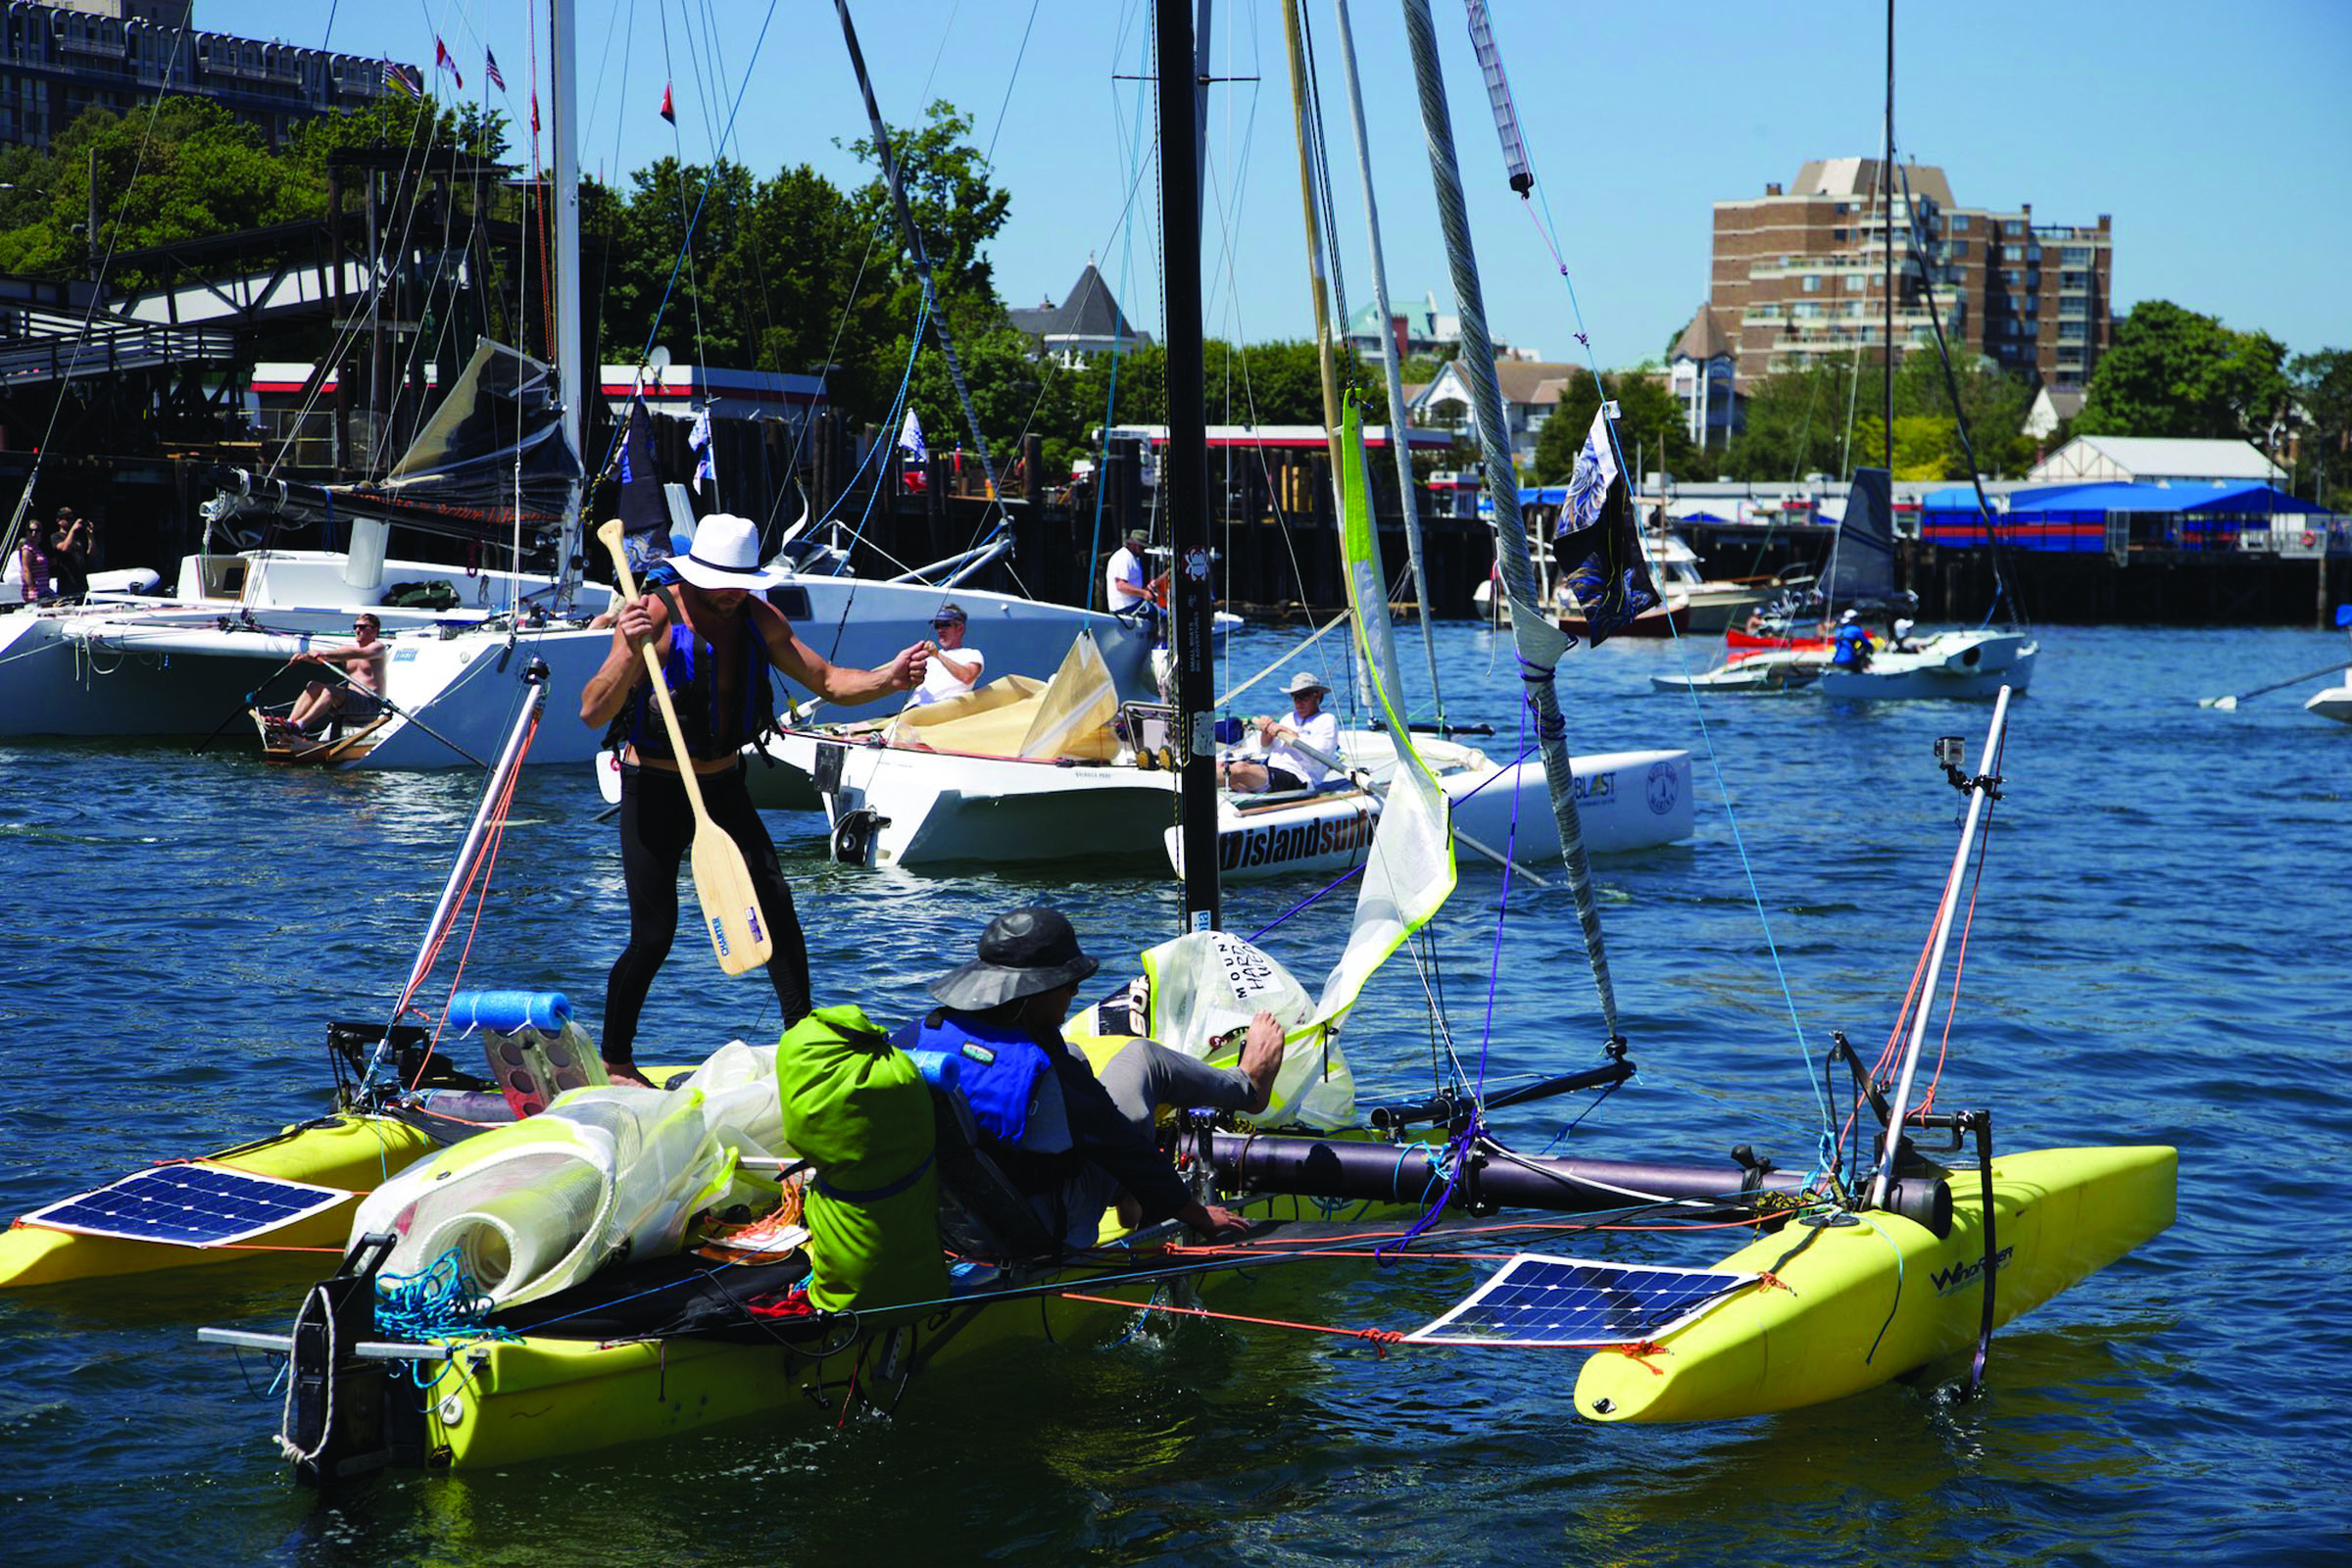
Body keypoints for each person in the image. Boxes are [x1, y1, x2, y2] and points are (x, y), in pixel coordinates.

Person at [580, 512, 930, 1087]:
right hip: (655, 789)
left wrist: (888, 679)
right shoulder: (656, 616)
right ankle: (617, 1061)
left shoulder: (755, 616)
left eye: (741, 583)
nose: (732, 595)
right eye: (722, 585)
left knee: (776, 903)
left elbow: (830, 681)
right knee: (654, 934)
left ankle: (802, 1039)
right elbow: (592, 709)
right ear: (694, 575)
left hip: (722, 785)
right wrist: (626, 650)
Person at [892, 907, 1254, 1250]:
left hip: (958, 1223)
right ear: (1033, 992)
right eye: (1068, 984)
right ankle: (1249, 1087)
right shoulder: (1049, 1076)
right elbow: (1126, 1149)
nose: (1076, 992)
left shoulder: (916, 1038)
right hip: (1042, 1231)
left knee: (1076, 1059)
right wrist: (1198, 1215)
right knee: (1142, 1058)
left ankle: (1132, 1197)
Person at [1222, 671, 1341, 794]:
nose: (1299, 702)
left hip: (1299, 778)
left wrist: (1288, 733)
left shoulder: (1327, 720)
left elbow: (1317, 759)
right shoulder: (1288, 718)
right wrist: (1266, 731)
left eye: (1304, 696)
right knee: (1225, 767)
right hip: (1273, 770)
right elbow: (1266, 750)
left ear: (1317, 696)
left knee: (1241, 769)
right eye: (1295, 696)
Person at [284, 612, 390, 733]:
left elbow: (357, 654)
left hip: (369, 706)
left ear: (375, 630)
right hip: (350, 703)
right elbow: (326, 658)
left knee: (331, 690)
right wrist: (303, 657)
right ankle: (289, 723)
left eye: (362, 627)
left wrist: (322, 653)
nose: (357, 630)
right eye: (355, 627)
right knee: (313, 685)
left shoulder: (378, 648)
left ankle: (299, 726)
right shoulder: (347, 649)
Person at [905, 601, 984, 708]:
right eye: (938, 626)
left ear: (960, 629)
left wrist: (937, 655)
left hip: (939, 711)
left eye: (946, 625)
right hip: (911, 710)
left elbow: (967, 677)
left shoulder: (972, 654)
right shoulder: (928, 658)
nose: (940, 630)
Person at [1104, 527, 1161, 620]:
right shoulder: (1123, 558)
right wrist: (1144, 593)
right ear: (1134, 545)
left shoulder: (1133, 558)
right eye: (1142, 547)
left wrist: (1146, 589)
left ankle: (1154, 633)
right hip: (1126, 607)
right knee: (1164, 615)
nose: (1144, 551)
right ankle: (1158, 634)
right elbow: (1121, 586)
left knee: (1159, 609)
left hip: (1133, 604)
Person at [46, 510, 91, 600]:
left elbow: (91, 553)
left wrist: (90, 536)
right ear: (59, 521)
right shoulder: (55, 536)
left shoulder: (77, 538)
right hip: (67, 583)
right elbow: (64, 548)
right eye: (68, 518)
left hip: (81, 582)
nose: (71, 521)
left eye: (72, 519)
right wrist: (73, 530)